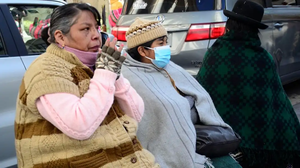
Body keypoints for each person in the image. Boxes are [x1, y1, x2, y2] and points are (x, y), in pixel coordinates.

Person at [15, 3, 159, 168]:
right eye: (85, 29)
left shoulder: (96, 63)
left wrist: (115, 75)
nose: (96, 35)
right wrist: (105, 72)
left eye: (96, 28)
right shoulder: (47, 69)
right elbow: (80, 126)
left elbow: (135, 114)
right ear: (60, 37)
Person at [121, 17, 242, 168]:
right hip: (171, 152)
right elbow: (164, 114)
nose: (166, 47)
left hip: (199, 137)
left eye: (166, 41)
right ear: (142, 50)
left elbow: (199, 96)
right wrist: (187, 105)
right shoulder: (130, 77)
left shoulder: (169, 66)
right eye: (160, 43)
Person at [196, 1, 300, 167]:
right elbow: (278, 103)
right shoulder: (262, 58)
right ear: (254, 30)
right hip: (260, 141)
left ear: (229, 25)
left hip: (220, 137)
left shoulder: (214, 53)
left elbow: (201, 93)